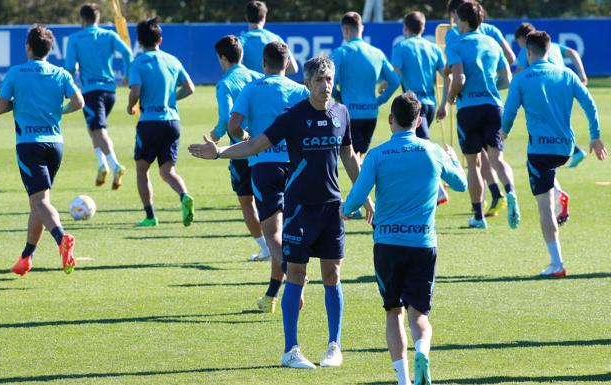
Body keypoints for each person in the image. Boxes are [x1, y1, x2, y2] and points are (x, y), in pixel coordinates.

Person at [189, 56, 373, 370]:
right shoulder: (293, 116)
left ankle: (334, 346)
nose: (325, 86)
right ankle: (291, 350)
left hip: (331, 209)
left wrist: (364, 197)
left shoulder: (341, 112)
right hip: (299, 209)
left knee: (333, 276)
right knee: (297, 276)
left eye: (329, 79)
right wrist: (220, 152)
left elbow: (349, 157)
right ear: (307, 83)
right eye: (319, 80)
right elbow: (257, 144)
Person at [342, 92, 466, 385]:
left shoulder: (378, 154)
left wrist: (345, 210)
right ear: (419, 120)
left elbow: (357, 198)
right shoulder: (433, 150)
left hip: (387, 245)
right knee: (419, 314)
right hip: (423, 244)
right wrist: (453, 159)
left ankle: (403, 379)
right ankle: (422, 350)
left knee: (393, 312)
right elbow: (460, 184)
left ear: (390, 120)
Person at [501, 31, 607, 277]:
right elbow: (590, 104)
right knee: (549, 181)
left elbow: (509, 113)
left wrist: (502, 134)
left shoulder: (522, 78)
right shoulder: (566, 74)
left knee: (544, 207)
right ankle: (559, 194)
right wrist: (595, 136)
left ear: (528, 53)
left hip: (540, 151)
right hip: (565, 149)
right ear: (549, 51)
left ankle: (557, 264)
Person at [225, 41, 309, 313]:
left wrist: (247, 138)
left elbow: (233, 126)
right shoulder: (300, 90)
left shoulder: (252, 88)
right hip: (297, 168)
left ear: (263, 64)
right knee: (282, 236)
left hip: (264, 166)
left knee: (272, 234)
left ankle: (295, 280)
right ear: (287, 64)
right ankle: (272, 295)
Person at [0, 25, 84, 276]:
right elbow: (79, 102)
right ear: (49, 49)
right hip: (55, 144)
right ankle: (26, 257)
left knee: (40, 201)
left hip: (29, 144)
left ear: (28, 47)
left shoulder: (16, 73)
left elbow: (0, 107)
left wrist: (17, 103)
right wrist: (60, 111)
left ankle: (61, 238)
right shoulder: (60, 73)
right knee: (38, 202)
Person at [444, 1, 520, 229]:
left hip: (469, 109)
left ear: (465, 21)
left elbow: (459, 79)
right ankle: (511, 192)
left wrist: (450, 98)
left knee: (473, 164)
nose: (455, 23)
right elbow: (507, 78)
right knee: (497, 158)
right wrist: (489, 87)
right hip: (494, 106)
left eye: (457, 19)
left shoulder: (456, 43)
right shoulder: (492, 43)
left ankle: (478, 217)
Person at [127, 17, 195, 227]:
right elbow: (190, 88)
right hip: (172, 121)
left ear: (139, 40)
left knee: (142, 169)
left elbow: (136, 90)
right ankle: (184, 195)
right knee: (167, 171)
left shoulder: (138, 62)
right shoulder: (172, 60)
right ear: (160, 39)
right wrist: (172, 100)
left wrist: (131, 105)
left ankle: (150, 216)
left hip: (149, 122)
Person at [209, 35, 270, 261]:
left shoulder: (225, 83)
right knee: (270, 197)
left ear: (222, 58)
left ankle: (266, 247)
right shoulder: (257, 76)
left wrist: (216, 135)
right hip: (266, 145)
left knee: (246, 200)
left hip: (242, 149)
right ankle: (279, 243)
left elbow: (227, 119)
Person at [65, 3, 132, 189]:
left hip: (91, 92)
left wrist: (69, 83)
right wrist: (127, 73)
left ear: (82, 19)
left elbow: (70, 67)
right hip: (110, 91)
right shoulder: (109, 35)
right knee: (93, 127)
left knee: (99, 129)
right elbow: (127, 51)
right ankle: (102, 165)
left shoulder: (75, 39)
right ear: (98, 19)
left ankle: (115, 165)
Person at [390, 11, 450, 205]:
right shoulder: (433, 48)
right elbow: (447, 76)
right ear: (423, 28)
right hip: (431, 105)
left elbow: (395, 75)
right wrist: (444, 103)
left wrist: (383, 88)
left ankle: (440, 187)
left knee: (423, 145)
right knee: (415, 145)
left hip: (412, 104)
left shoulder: (401, 47)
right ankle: (421, 188)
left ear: (405, 28)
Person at [513, 22, 589, 169]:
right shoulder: (551, 45)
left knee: (541, 120)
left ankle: (566, 152)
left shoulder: (527, 50)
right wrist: (582, 76)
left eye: (519, 42)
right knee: (557, 121)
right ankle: (573, 150)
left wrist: (508, 81)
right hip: (563, 85)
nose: (520, 45)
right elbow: (573, 52)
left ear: (523, 39)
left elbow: (520, 71)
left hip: (547, 86)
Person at [331, 11, 399, 160]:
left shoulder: (340, 52)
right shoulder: (377, 53)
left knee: (352, 158)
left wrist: (338, 96)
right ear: (361, 28)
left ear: (345, 30)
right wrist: (379, 100)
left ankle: (361, 183)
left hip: (350, 113)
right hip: (370, 113)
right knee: (359, 157)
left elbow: (330, 82)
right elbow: (394, 81)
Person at [239, 1, 298, 75]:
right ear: (264, 17)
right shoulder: (276, 39)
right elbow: (293, 68)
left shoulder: (239, 42)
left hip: (248, 86)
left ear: (246, 17)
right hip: (273, 85)